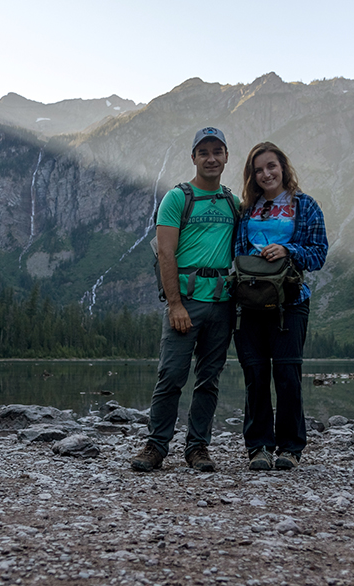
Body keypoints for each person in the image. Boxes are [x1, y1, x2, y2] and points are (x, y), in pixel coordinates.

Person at [131, 127, 240, 473]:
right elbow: (166, 253)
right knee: (171, 375)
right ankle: (155, 446)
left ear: (226, 156)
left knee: (209, 380)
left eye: (217, 151)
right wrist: (175, 304)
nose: (211, 158)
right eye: (203, 152)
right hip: (186, 303)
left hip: (222, 304)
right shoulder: (177, 198)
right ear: (193, 157)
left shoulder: (233, 203)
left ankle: (198, 448)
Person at [233, 141, 327, 471]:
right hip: (249, 302)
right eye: (258, 170)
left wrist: (288, 250)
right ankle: (259, 447)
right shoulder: (247, 209)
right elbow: (236, 254)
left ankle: (290, 448)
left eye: (271, 166)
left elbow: (319, 253)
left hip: (290, 301)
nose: (266, 174)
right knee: (255, 375)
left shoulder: (305, 205)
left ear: (283, 167)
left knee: (287, 375)